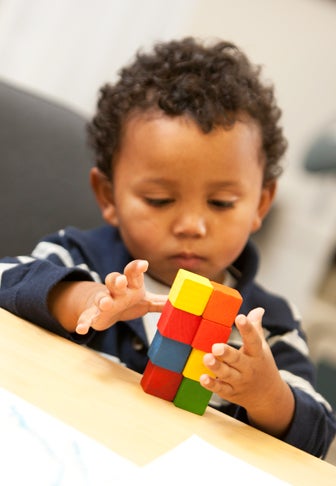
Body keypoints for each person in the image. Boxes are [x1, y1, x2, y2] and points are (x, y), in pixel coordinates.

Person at [0, 37, 335, 458]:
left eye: (221, 203)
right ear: (107, 195)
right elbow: (5, 279)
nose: (192, 225)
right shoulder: (79, 259)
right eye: (160, 200)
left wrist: (265, 393)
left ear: (260, 204)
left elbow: (318, 440)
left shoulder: (268, 326)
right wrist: (87, 298)